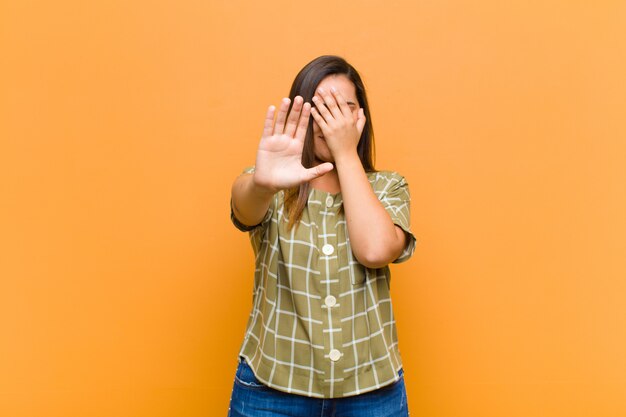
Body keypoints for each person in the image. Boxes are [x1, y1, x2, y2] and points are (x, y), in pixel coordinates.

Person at [228, 55, 416, 417]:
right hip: (272, 387)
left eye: (342, 108)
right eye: (320, 107)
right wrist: (261, 184)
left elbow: (375, 250)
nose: (330, 119)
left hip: (372, 390)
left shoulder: (388, 186)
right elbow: (244, 207)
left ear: (360, 118)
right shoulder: (269, 184)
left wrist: (345, 153)